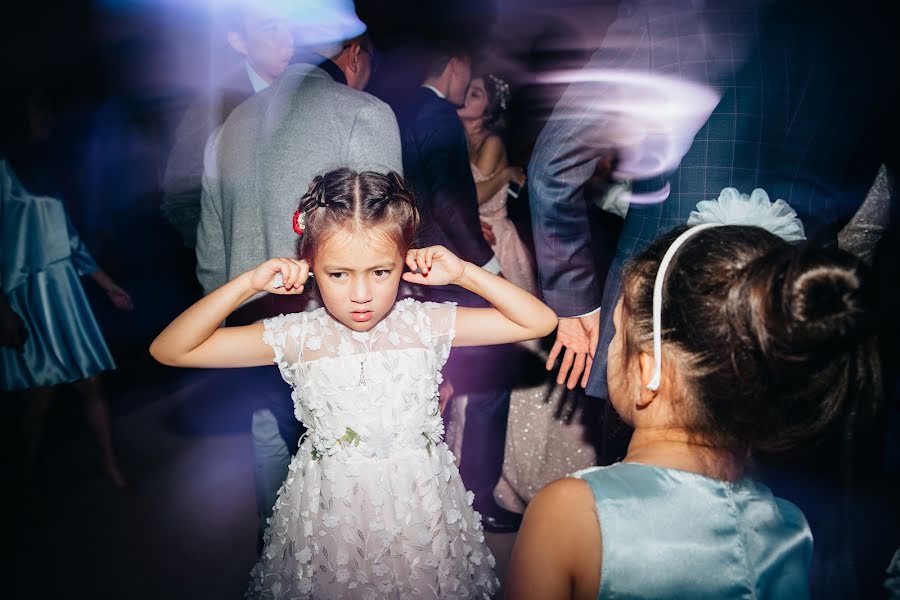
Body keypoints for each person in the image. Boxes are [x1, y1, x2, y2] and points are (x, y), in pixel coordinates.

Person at [150, 169, 557, 597]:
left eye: (380, 272)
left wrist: (463, 273)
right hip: (332, 507)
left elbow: (538, 320)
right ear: (310, 267)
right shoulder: (298, 337)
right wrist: (247, 285)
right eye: (338, 274)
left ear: (405, 262)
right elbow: (171, 349)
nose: (360, 294)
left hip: (419, 500)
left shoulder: (425, 325)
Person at [506, 193, 881, 598]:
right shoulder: (790, 526)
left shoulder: (571, 512)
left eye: (616, 333)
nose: (608, 348)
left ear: (649, 370)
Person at [196, 16, 399, 550]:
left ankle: (284, 562)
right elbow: (379, 243)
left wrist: (232, 327)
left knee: (270, 445)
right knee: (355, 472)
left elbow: (210, 258)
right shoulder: (365, 113)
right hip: (339, 332)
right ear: (354, 55)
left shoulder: (228, 128)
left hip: (253, 331)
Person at [397, 44, 522, 532]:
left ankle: (429, 493)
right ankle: (477, 497)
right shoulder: (440, 116)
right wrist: (488, 266)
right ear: (456, 63)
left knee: (433, 383)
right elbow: (448, 202)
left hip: (415, 268)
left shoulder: (401, 109)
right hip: (452, 268)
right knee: (491, 380)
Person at [1, 156, 134, 501]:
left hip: (64, 291)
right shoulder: (4, 169)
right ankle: (26, 485)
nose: (45, 115)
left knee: (91, 383)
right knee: (39, 396)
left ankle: (110, 465)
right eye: (38, 107)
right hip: (29, 293)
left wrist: (108, 286)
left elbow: (73, 244)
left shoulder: (39, 171)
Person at [162, 4, 295, 248]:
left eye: (289, 26)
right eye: (270, 29)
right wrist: (227, 255)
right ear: (239, 42)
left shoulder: (306, 92)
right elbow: (181, 199)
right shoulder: (213, 108)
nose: (288, 40)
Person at [457, 73, 536, 295]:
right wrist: (506, 175)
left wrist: (503, 176)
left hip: (496, 241)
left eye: (475, 94)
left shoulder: (491, 142)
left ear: (488, 109)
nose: (465, 97)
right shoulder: (459, 140)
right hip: (470, 233)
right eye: (466, 90)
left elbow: (473, 197)